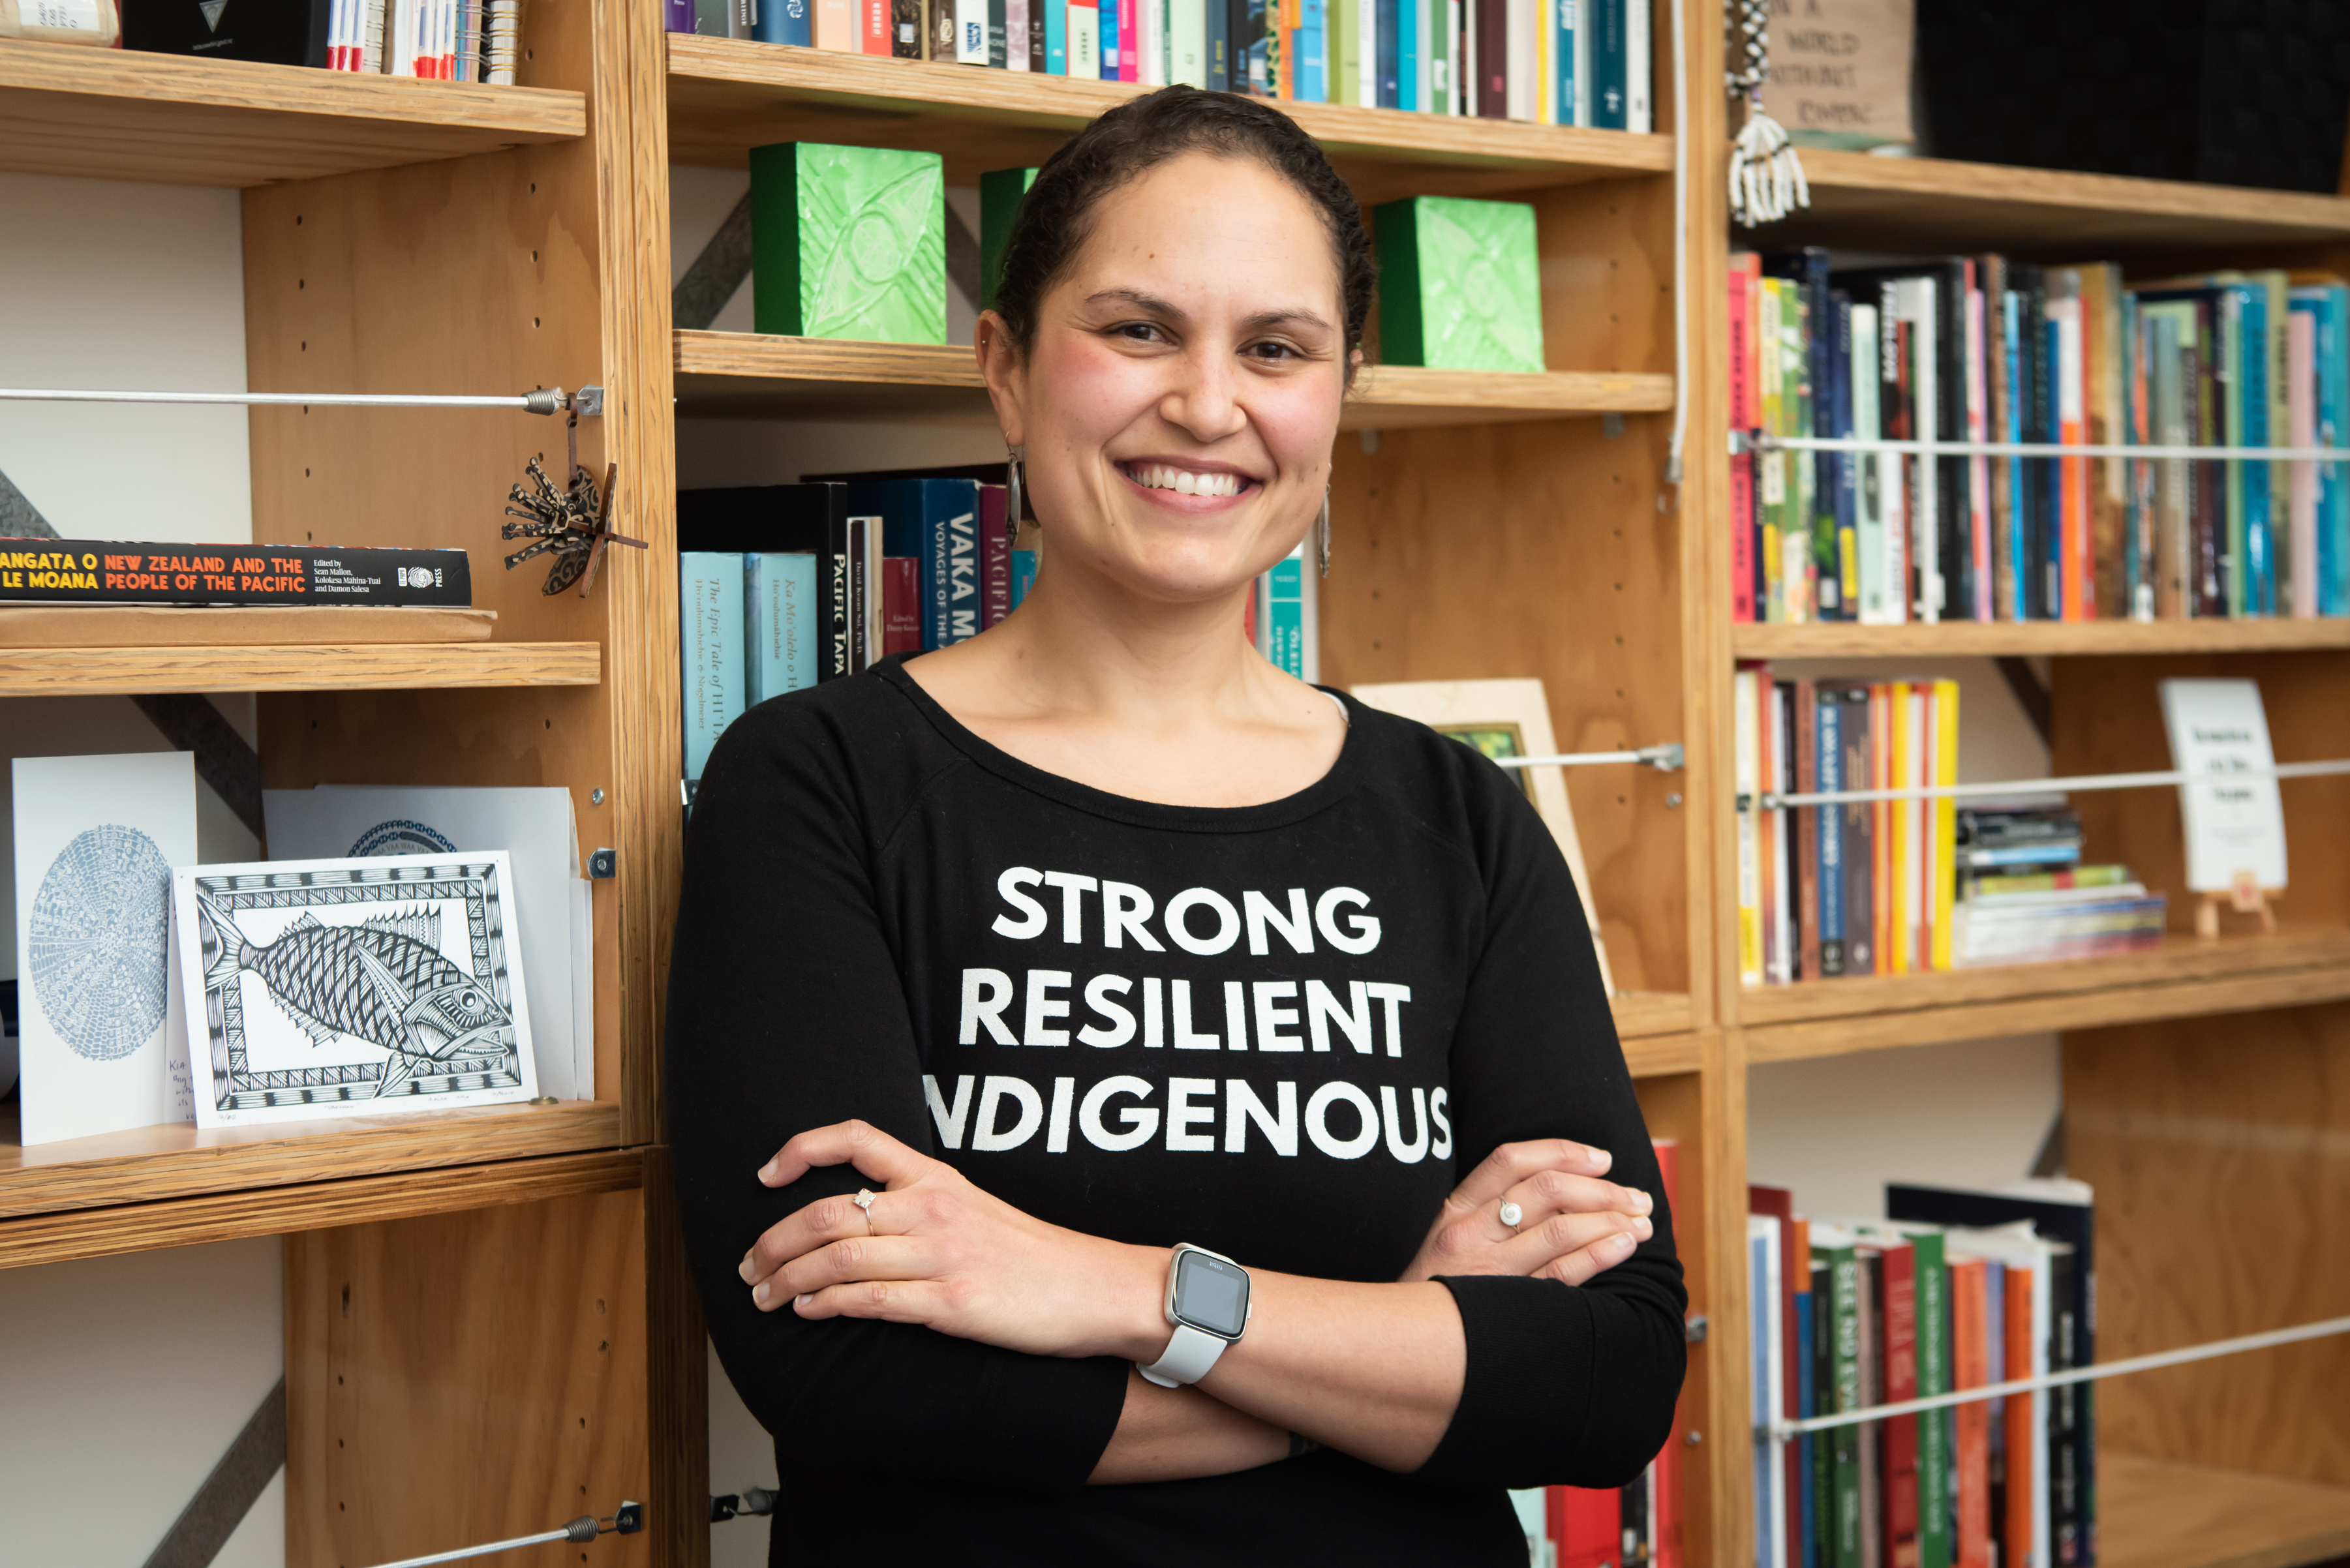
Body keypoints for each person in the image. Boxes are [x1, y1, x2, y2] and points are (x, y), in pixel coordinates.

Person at [667, 85, 1685, 1565]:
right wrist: (1394, 1329)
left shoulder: (1457, 814)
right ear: (1007, 370)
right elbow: (854, 1378)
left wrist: (1114, 1288)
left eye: (1276, 348)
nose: (1209, 405)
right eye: (1139, 329)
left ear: (1337, 397)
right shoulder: (815, 782)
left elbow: (1603, 1379)